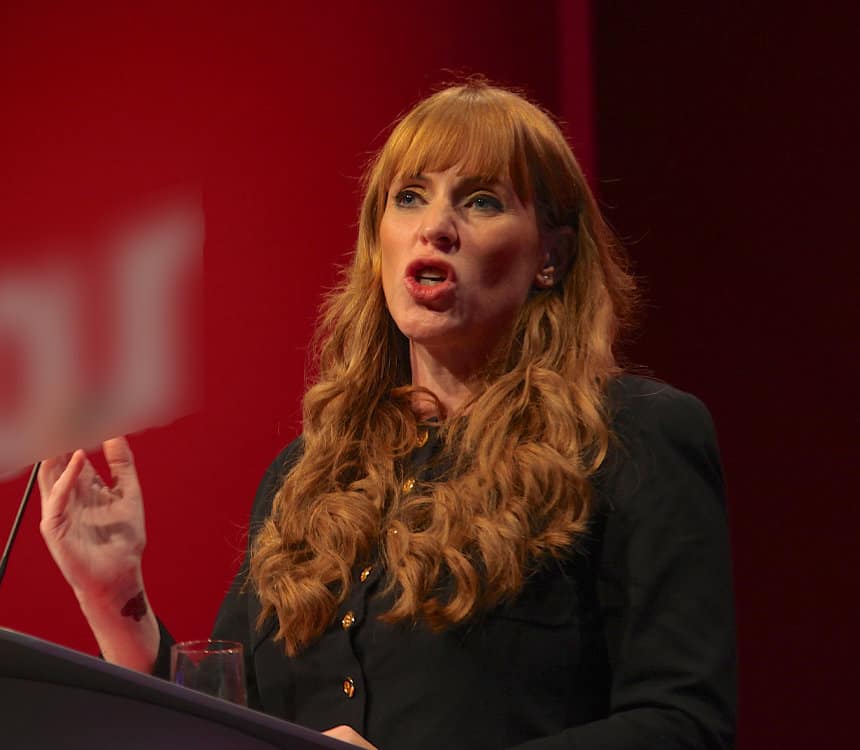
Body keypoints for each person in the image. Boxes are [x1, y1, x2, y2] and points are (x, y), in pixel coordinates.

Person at [36, 81, 736, 750]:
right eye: (408, 198)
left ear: (550, 256)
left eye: (483, 201)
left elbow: (683, 725)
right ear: (379, 243)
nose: (435, 227)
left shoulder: (633, 437)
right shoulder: (308, 475)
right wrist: (117, 595)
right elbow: (225, 727)